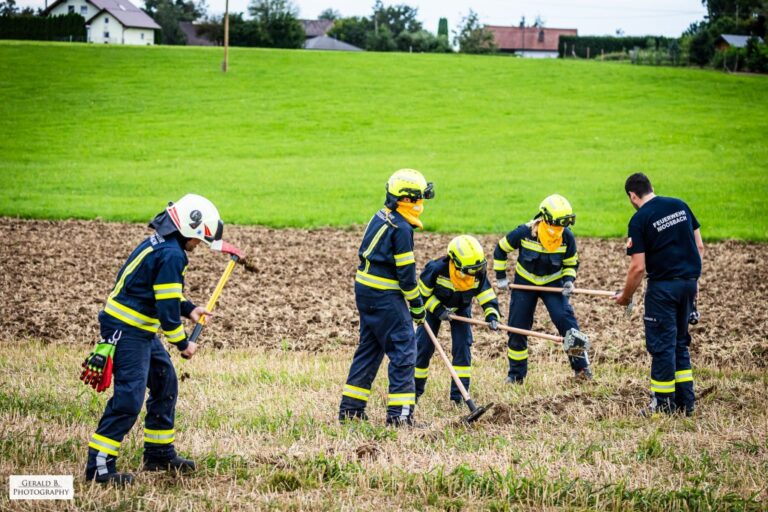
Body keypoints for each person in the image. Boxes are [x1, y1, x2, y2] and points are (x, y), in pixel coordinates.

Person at [81, 194, 223, 484]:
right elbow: (167, 312)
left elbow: (164, 293)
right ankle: (98, 468)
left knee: (165, 382)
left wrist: (190, 308)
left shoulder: (164, 244)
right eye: (200, 240)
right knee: (129, 398)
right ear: (189, 229)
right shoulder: (173, 254)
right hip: (127, 330)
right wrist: (184, 344)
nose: (199, 246)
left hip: (141, 329)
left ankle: (158, 454)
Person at [339, 169, 434, 426]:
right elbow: (407, 276)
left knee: (370, 349)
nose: (422, 204)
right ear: (407, 200)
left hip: (365, 291)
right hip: (384, 295)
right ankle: (400, 417)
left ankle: (351, 411)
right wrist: (417, 306)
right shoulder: (402, 228)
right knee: (404, 351)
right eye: (419, 198)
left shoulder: (382, 216)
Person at [614, 173, 703, 416]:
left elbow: (638, 267)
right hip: (688, 284)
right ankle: (686, 403)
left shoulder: (640, 219)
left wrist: (625, 296)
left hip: (662, 289)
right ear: (651, 188)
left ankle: (663, 405)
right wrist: (692, 280)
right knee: (679, 343)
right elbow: (700, 246)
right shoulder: (679, 205)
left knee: (662, 346)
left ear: (633, 195)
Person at [493, 194, 592, 383]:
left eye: (563, 225)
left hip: (552, 285)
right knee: (517, 328)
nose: (559, 229)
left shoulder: (566, 237)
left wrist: (569, 280)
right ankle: (516, 376)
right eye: (556, 224)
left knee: (567, 322)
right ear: (545, 218)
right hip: (524, 284)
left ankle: (581, 368)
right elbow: (500, 249)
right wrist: (501, 277)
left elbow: (571, 263)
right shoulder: (524, 232)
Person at [414, 235, 501, 403]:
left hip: (461, 309)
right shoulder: (436, 270)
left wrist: (492, 315)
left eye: (477, 268)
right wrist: (439, 310)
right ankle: (414, 392)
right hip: (433, 310)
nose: (474, 273)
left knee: (462, 348)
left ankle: (459, 398)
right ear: (454, 261)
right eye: (469, 270)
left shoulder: (477, 272)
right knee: (423, 348)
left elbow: (486, 295)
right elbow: (421, 297)